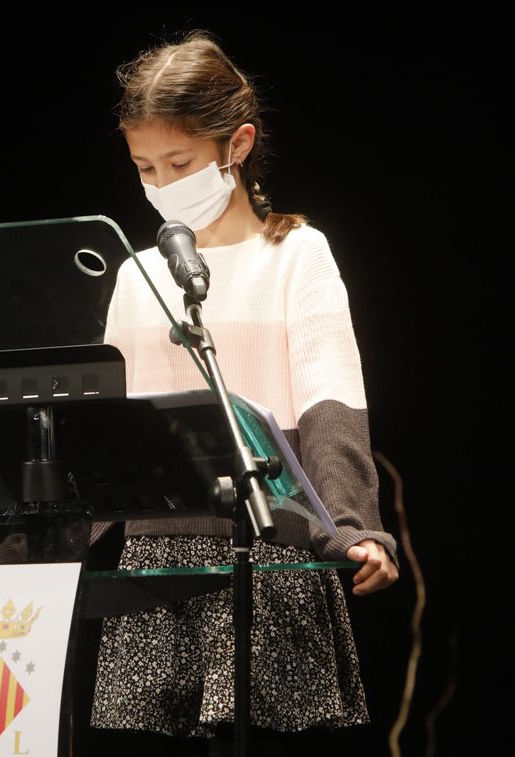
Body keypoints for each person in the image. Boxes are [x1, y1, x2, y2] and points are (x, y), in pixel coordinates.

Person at [79, 30, 400, 756]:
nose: (162, 184)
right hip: (156, 581)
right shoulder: (136, 277)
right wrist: (22, 545)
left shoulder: (296, 257)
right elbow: (103, 443)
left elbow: (331, 403)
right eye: (144, 167)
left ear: (239, 143)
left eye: (180, 163)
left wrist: (352, 527)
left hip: (273, 558)